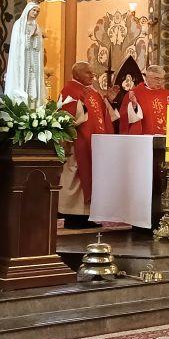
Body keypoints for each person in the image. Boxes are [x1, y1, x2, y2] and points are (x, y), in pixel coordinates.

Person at [57, 61, 119, 228]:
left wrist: (108, 100)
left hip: (94, 144)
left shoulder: (92, 92)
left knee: (93, 177)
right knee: (77, 178)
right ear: (76, 74)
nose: (93, 76)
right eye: (88, 73)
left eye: (93, 73)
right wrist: (81, 103)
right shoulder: (70, 90)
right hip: (78, 144)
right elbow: (66, 119)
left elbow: (105, 116)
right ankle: (73, 217)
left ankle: (87, 216)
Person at [118, 65, 169, 135]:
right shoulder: (135, 94)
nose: (160, 82)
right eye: (157, 79)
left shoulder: (167, 94)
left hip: (166, 137)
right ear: (147, 78)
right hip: (145, 137)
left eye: (162, 79)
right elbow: (125, 117)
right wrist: (134, 105)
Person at [3, 2, 45, 107]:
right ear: (28, 10)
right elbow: (18, 44)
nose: (35, 13)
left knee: (33, 80)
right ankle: (21, 106)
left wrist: (36, 37)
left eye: (37, 11)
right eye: (34, 10)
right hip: (22, 59)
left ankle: (33, 106)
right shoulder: (19, 24)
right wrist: (29, 36)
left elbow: (38, 46)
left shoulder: (37, 26)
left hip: (33, 58)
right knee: (22, 79)